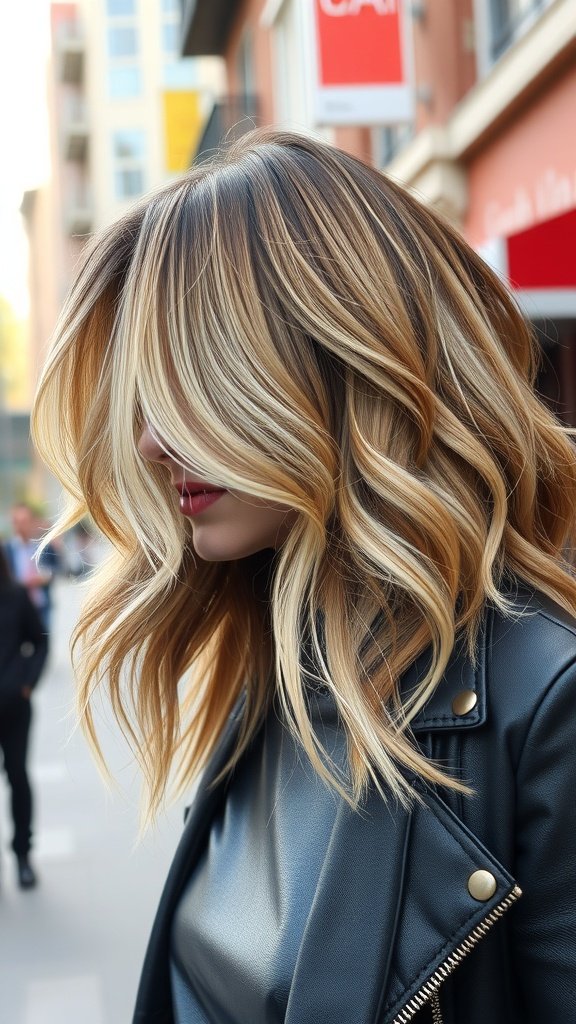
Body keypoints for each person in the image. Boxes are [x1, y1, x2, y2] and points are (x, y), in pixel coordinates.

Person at [32, 129, 576, 1023]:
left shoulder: (543, 701)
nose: (150, 442)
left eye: (191, 379)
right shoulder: (283, 664)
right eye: (143, 397)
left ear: (333, 359)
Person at [0, 545, 48, 888]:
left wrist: (27, 682)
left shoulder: (16, 596)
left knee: (17, 775)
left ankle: (23, 856)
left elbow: (40, 640)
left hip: (14, 705)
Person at [4, 502, 61, 634]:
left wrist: (45, 577)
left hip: (40, 605)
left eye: (25, 521)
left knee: (42, 644)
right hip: (16, 606)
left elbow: (56, 568)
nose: (21, 526)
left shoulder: (43, 547)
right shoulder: (6, 549)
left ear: (32, 522)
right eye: (18, 522)